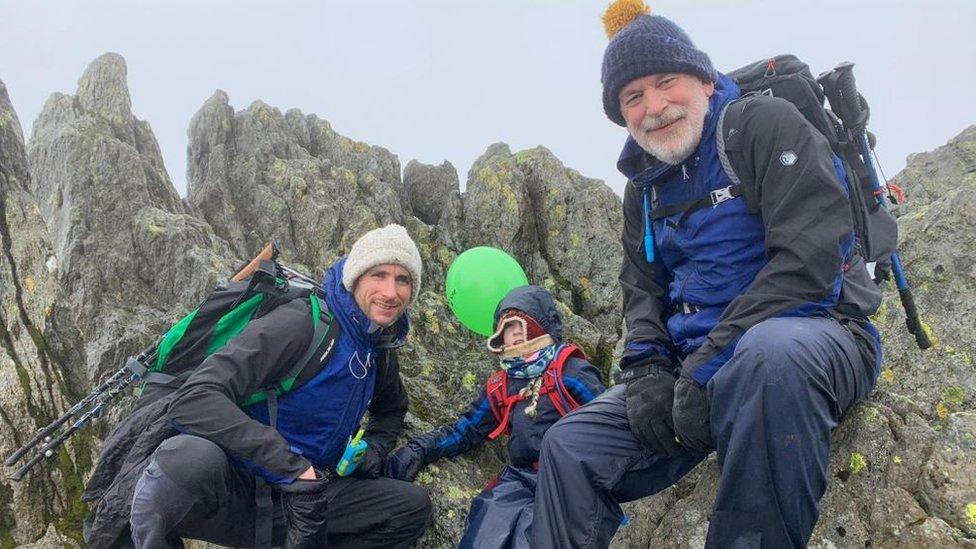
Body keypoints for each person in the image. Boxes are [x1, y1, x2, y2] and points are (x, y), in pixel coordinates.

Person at [530, 2, 884, 547]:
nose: (654, 107)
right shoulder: (643, 188)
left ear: (701, 78)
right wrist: (649, 372)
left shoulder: (764, 127)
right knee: (569, 445)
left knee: (769, 357)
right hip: (698, 370)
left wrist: (702, 369)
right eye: (633, 97)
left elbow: (808, 266)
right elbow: (642, 290)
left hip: (816, 336)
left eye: (665, 82)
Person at [86, 224, 432, 548]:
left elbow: (391, 410)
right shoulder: (301, 324)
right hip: (234, 491)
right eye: (379, 275)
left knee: (410, 508)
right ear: (355, 278)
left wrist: (372, 449)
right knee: (186, 460)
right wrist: (290, 467)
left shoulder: (378, 347)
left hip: (304, 505)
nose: (391, 292)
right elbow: (195, 398)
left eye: (403, 280)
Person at [386, 285, 605, 549]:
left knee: (532, 537)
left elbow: (608, 422)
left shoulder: (570, 371)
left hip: (570, 480)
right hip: (521, 478)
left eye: (517, 328)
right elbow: (465, 430)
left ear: (539, 326)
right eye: (504, 332)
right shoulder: (501, 386)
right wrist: (420, 449)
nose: (511, 338)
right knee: (484, 525)